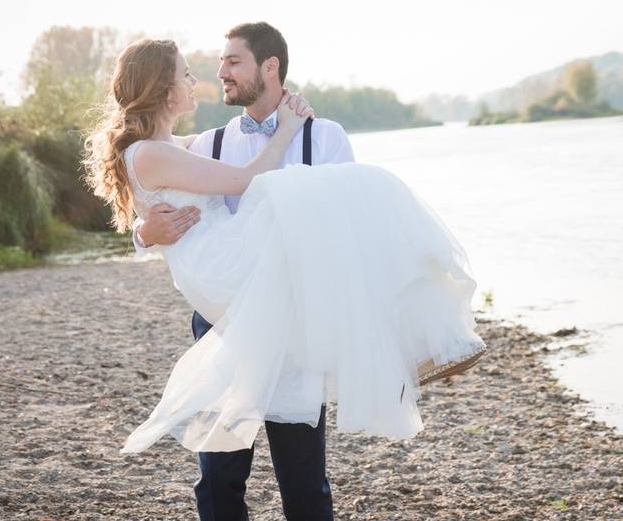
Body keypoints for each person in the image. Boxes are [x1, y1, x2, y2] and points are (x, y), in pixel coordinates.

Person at [84, 29, 485, 521]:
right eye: (206, 66)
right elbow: (162, 201)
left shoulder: (326, 135)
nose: (218, 74)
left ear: (268, 68)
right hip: (227, 317)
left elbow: (355, 236)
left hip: (297, 321)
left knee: (303, 478)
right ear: (165, 89)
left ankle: (424, 341)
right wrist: (145, 233)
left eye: (232, 61)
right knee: (221, 473)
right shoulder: (208, 143)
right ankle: (427, 340)